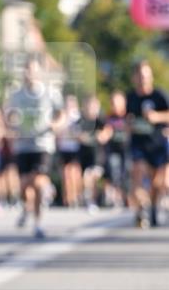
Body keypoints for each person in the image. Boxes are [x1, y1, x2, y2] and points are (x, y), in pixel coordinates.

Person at [6, 56, 64, 239]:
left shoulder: (50, 93)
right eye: (26, 70)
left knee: (38, 182)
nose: (29, 74)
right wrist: (11, 126)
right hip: (23, 144)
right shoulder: (17, 95)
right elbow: (8, 115)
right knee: (24, 186)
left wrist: (56, 124)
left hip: (43, 143)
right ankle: (26, 207)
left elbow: (62, 114)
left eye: (32, 70)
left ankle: (38, 224)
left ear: (39, 72)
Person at [126, 60, 169, 228]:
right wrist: (128, 124)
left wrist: (156, 117)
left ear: (150, 76)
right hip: (139, 144)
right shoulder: (131, 97)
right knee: (138, 173)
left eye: (145, 75)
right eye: (140, 76)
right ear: (135, 78)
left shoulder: (159, 95)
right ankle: (141, 207)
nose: (143, 79)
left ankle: (153, 207)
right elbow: (126, 119)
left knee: (158, 184)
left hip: (158, 144)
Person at [77, 94, 107, 212]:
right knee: (86, 177)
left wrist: (102, 135)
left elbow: (107, 131)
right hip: (84, 154)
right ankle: (91, 200)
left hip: (97, 154)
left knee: (92, 175)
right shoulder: (81, 120)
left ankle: (96, 198)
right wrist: (80, 137)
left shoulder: (100, 119)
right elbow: (75, 133)